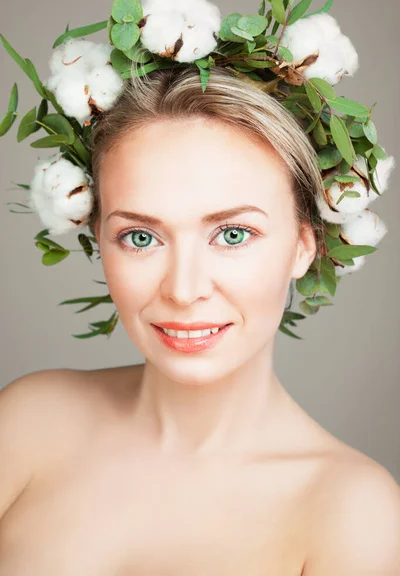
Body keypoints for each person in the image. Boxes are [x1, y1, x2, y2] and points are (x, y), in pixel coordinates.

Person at [1, 64, 400, 575]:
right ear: (98, 237)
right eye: (141, 237)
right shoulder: (28, 420)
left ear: (305, 245)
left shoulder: (352, 513)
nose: (184, 290)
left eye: (233, 234)